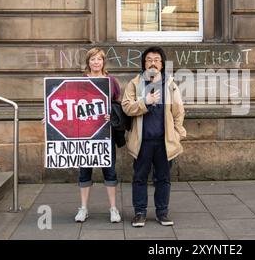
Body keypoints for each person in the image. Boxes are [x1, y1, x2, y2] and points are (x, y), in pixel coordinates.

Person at [122, 47, 186, 227]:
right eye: (149, 59)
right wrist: (145, 102)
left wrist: (178, 134)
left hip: (164, 142)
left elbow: (178, 111)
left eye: (156, 60)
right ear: (144, 63)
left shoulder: (170, 84)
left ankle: (162, 213)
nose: (152, 63)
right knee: (139, 178)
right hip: (142, 142)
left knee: (163, 179)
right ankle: (140, 213)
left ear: (162, 64)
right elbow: (126, 107)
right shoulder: (134, 83)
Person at [74, 48, 122, 223]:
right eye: (93, 59)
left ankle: (113, 208)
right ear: (88, 62)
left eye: (99, 59)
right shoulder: (79, 82)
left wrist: (113, 115)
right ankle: (84, 208)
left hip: (105, 135)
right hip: (85, 136)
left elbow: (119, 105)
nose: (96, 62)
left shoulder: (111, 81)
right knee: (84, 172)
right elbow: (68, 106)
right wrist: (50, 119)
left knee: (110, 172)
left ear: (103, 62)